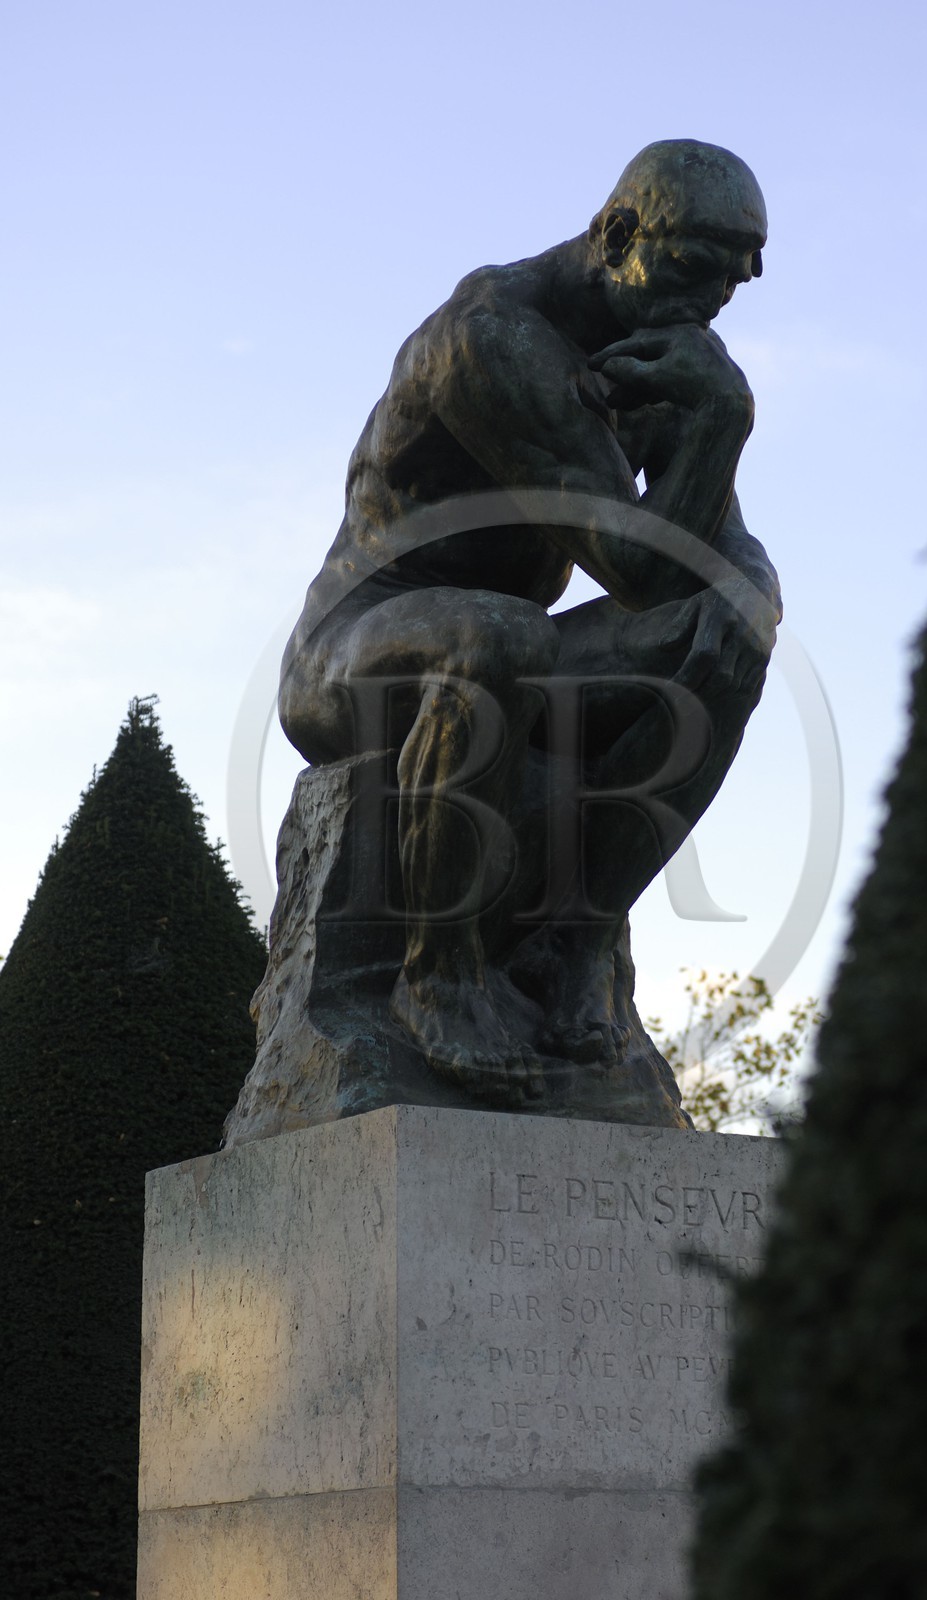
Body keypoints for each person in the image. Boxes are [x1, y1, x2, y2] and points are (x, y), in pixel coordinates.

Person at [279, 139, 781, 1105]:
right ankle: (439, 974)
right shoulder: (492, 334)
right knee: (501, 633)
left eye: (727, 287)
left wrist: (749, 594)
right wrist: (721, 420)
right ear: (619, 233)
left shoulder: (669, 353)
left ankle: (575, 946)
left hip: (522, 647)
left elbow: (726, 553)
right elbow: (635, 568)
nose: (709, 305)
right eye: (690, 271)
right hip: (354, 650)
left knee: (730, 636)